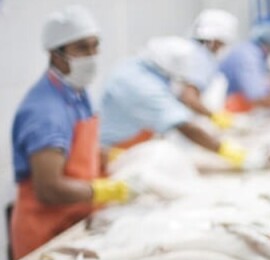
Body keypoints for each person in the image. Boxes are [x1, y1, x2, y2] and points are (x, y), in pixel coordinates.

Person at [10, 5, 130, 260]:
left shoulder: (76, 93)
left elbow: (74, 151)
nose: (92, 56)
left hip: (73, 221)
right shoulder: (45, 110)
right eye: (81, 48)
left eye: (95, 46)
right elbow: (48, 188)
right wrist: (104, 191)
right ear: (56, 54)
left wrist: (113, 157)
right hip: (46, 234)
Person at [99, 36, 259, 170]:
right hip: (112, 155)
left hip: (123, 145)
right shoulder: (143, 85)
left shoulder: (136, 68)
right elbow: (185, 127)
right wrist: (231, 153)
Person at [219, 22, 270, 113]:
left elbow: (266, 88)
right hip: (226, 109)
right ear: (269, 45)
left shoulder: (258, 57)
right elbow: (256, 97)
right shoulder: (248, 57)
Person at [182, 9, 239, 129]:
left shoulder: (194, 52)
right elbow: (189, 97)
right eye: (222, 43)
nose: (222, 48)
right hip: (187, 125)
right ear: (213, 41)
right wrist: (214, 116)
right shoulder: (200, 58)